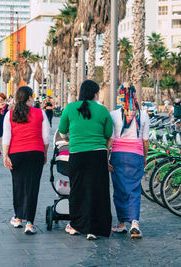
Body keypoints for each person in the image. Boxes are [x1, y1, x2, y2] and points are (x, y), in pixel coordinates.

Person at [59, 80, 113, 240]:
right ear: (95, 94)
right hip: (97, 155)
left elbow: (62, 131)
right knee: (98, 191)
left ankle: (76, 225)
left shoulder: (70, 108)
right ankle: (94, 229)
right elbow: (108, 134)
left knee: (77, 190)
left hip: (77, 154)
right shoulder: (102, 110)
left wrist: (70, 140)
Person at [2, 86, 50, 235]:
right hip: (35, 153)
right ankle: (30, 222)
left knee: (18, 184)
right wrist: (44, 153)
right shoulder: (40, 113)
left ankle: (18, 218)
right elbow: (46, 138)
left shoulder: (10, 114)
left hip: (16, 154)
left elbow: (6, 137)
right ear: (29, 98)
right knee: (32, 186)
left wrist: (5, 155)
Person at [108, 84, 150, 239]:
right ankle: (135, 223)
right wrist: (144, 157)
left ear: (121, 97)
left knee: (119, 190)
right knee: (134, 189)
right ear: (135, 96)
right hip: (136, 156)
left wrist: (107, 158)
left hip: (118, 156)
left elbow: (110, 140)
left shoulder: (113, 115)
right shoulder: (144, 115)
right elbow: (146, 141)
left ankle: (121, 224)